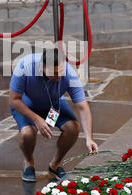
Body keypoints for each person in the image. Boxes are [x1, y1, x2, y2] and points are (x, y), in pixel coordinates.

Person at [9, 48, 99, 182]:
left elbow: (82, 106)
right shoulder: (25, 66)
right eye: (54, 73)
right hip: (26, 105)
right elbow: (14, 100)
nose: (59, 77)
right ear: (42, 67)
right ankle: (28, 162)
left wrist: (89, 138)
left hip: (53, 104)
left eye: (61, 71)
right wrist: (37, 119)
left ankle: (55, 165)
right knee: (27, 133)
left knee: (73, 128)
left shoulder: (69, 73)